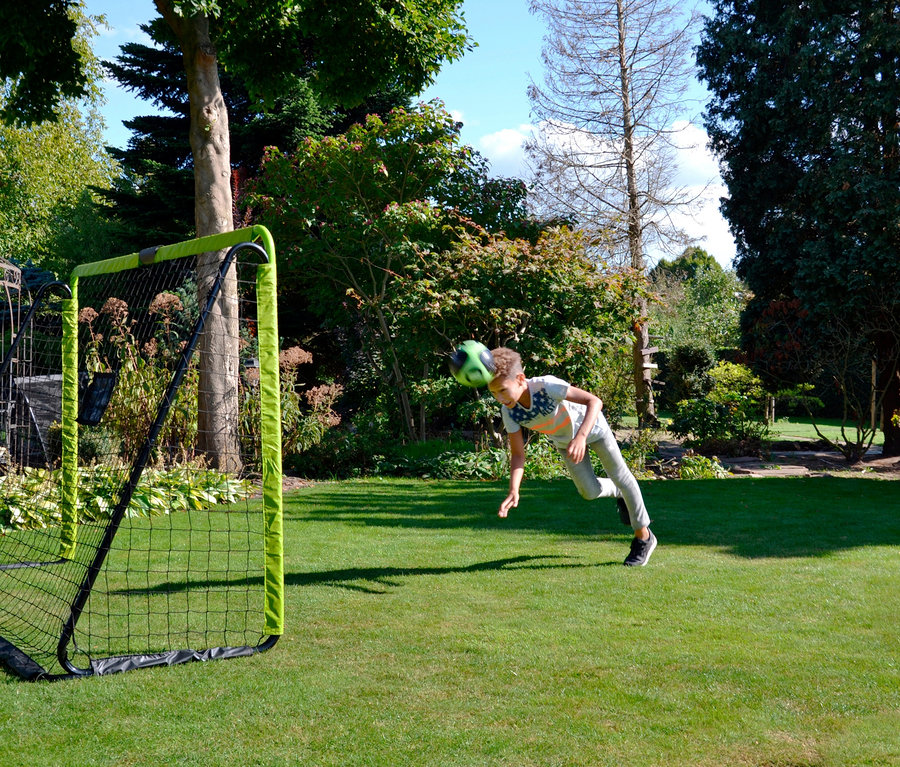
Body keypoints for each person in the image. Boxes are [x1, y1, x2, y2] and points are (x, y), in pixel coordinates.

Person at [487, 346, 657, 567]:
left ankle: (643, 537)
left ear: (520, 379)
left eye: (502, 390)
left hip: (594, 429)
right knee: (589, 492)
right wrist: (514, 489)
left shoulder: (546, 386)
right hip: (566, 443)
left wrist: (581, 437)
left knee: (621, 475)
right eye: (493, 393)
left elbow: (594, 401)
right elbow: (518, 454)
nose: (499, 398)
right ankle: (618, 491)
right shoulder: (509, 411)